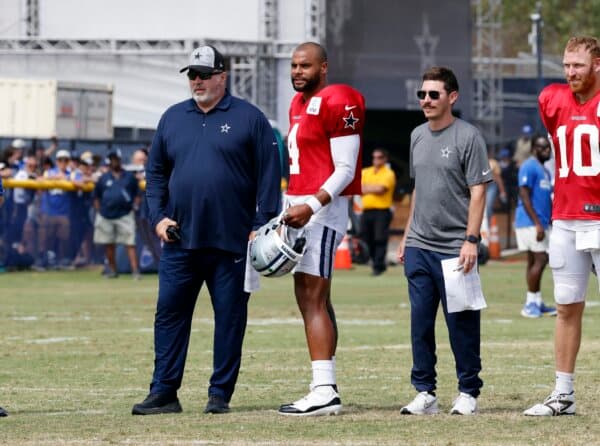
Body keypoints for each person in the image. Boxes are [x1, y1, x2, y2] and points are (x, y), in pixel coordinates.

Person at [132, 45, 281, 415]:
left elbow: (269, 175)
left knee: (229, 318)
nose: (196, 81)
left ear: (222, 76)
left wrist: (262, 226)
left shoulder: (250, 118)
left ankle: (220, 394)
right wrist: (159, 218)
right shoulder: (172, 117)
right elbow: (155, 174)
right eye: (192, 75)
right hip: (180, 240)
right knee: (168, 314)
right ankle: (164, 392)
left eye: (203, 74)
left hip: (233, 241)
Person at [396, 67, 492, 415]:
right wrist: (406, 237)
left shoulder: (469, 136)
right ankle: (425, 391)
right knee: (420, 323)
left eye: (433, 94)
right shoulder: (417, 135)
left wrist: (471, 240)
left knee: (461, 325)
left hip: (455, 248)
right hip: (419, 246)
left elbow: (478, 191)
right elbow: (419, 188)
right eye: (422, 94)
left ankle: (468, 391)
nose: (425, 100)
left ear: (452, 97)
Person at [277, 42, 365, 416]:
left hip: (322, 211)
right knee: (314, 299)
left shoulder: (339, 99)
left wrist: (310, 205)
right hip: (298, 205)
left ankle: (325, 389)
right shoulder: (297, 104)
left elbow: (345, 169)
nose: (298, 71)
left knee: (312, 297)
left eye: (305, 65)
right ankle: (323, 383)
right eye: (294, 66)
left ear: (323, 67)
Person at [524, 36, 600, 416]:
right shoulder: (552, 100)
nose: (571, 72)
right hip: (566, 218)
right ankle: (563, 393)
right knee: (567, 307)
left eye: (579, 66)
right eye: (567, 65)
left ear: (597, 65)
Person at [515, 135, 556, 318]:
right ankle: (530, 304)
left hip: (541, 223)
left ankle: (536, 301)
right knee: (541, 260)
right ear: (533, 149)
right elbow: (524, 195)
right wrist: (538, 224)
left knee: (534, 261)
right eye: (542, 147)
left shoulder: (545, 171)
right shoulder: (529, 166)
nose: (546, 150)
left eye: (548, 147)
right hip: (530, 222)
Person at [93, 148, 140, 279]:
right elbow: (96, 196)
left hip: (125, 214)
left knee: (130, 243)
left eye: (116, 158)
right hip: (106, 215)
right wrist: (99, 211)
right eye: (112, 159)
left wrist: (135, 206)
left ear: (119, 160)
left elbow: (137, 193)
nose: (114, 161)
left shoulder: (129, 177)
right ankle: (113, 271)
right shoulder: (103, 178)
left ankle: (135, 271)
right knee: (109, 244)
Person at [360, 148, 396, 276]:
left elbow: (381, 189)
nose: (376, 160)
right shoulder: (365, 171)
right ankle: (375, 261)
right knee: (366, 237)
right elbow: (359, 188)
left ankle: (378, 265)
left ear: (385, 159)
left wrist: (367, 188)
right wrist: (372, 188)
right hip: (367, 211)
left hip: (382, 211)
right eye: (374, 157)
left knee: (380, 238)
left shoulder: (388, 173)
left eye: (379, 157)